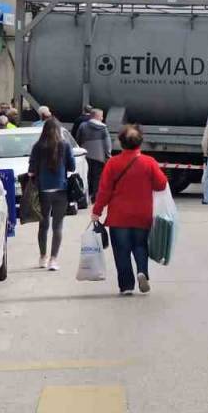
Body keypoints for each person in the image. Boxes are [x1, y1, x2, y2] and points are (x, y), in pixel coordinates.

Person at [92, 124, 169, 295]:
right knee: (140, 246)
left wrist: (97, 211)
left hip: (119, 217)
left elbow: (104, 191)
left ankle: (126, 286)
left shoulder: (113, 163)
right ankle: (142, 271)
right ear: (140, 143)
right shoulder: (149, 162)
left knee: (121, 251)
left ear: (121, 143)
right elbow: (161, 184)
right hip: (143, 215)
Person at [29, 118, 76, 271]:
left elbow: (31, 169)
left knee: (43, 225)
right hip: (60, 189)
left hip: (43, 190)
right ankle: (53, 260)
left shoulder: (38, 146)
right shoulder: (65, 145)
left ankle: (43, 257)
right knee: (58, 226)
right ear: (59, 130)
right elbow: (72, 167)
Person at [75, 108, 113, 205]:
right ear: (97, 116)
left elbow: (78, 139)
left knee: (86, 176)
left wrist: (80, 151)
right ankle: (95, 197)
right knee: (97, 177)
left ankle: (86, 195)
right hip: (99, 157)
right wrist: (108, 155)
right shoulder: (103, 128)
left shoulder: (83, 126)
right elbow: (107, 143)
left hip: (86, 155)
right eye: (101, 116)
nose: (102, 118)